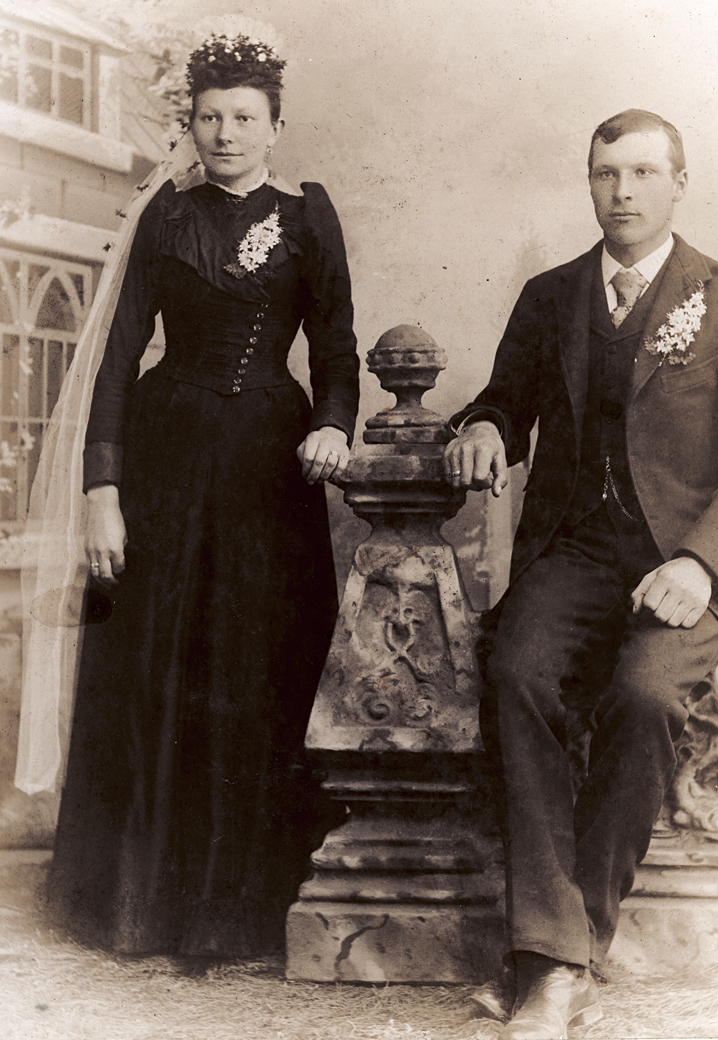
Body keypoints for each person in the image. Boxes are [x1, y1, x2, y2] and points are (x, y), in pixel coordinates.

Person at [443, 109, 718, 1039]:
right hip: (575, 550)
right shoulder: (551, 295)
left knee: (642, 696)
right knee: (515, 670)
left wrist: (698, 563)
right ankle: (560, 960)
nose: (622, 192)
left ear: (678, 184)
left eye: (642, 173)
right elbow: (504, 401)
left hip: (689, 561)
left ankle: (556, 958)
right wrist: (481, 428)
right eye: (606, 174)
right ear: (589, 183)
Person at [37, 28, 359, 957]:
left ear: (274, 126)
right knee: (157, 665)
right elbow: (114, 358)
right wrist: (103, 489)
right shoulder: (165, 218)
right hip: (165, 455)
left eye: (244, 118)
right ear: (193, 124)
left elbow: (336, 347)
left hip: (266, 465)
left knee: (253, 667)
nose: (225, 134)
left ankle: (239, 911)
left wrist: (333, 423)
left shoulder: (307, 216)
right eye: (210, 117)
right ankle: (136, 904)